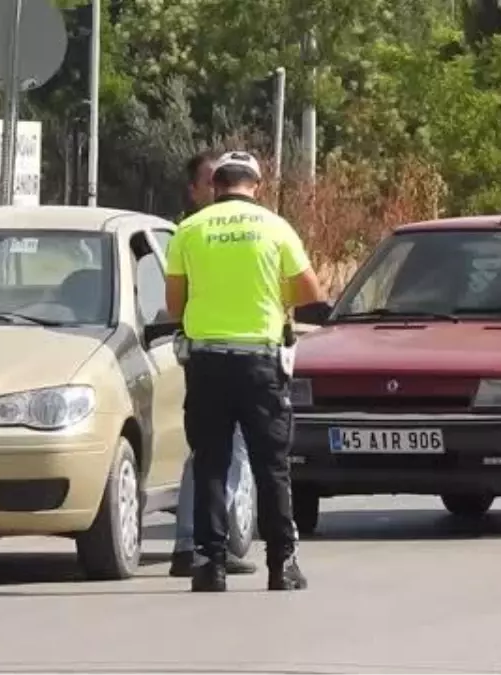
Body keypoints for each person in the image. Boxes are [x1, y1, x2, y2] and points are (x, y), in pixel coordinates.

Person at [165, 150, 325, 592]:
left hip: (207, 363)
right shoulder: (275, 227)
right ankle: (282, 565)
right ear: (256, 185)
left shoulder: (189, 229)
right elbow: (310, 290)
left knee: (211, 463)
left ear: (215, 185)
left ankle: (209, 565)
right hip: (261, 363)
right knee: (271, 465)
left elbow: (175, 304)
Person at [168, 150, 257, 578]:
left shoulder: (236, 233)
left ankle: (207, 542)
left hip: (226, 352)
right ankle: (199, 542)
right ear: (197, 190)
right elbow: (174, 303)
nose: (219, 187)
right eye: (211, 180)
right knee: (216, 452)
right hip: (210, 354)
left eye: (222, 178)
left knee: (219, 451)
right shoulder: (188, 234)